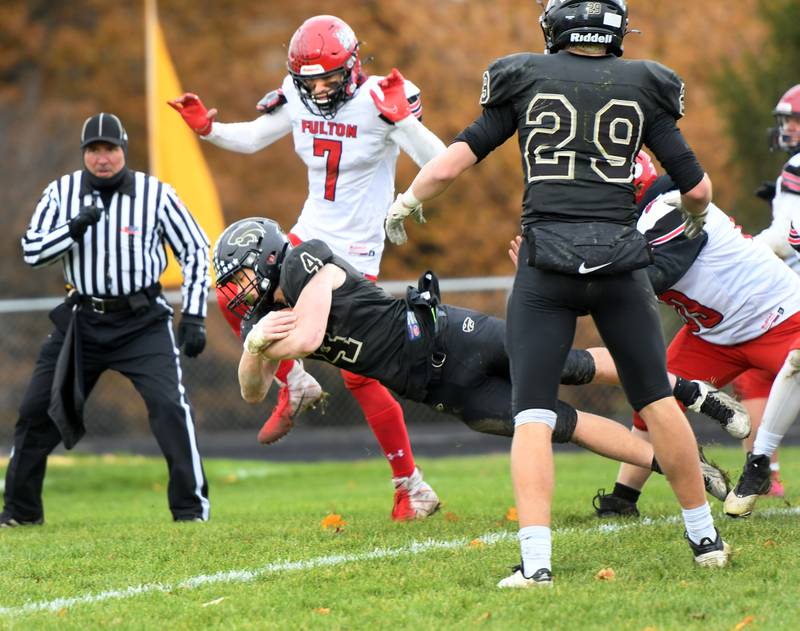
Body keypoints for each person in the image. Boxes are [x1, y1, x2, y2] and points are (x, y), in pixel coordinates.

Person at [385, 0, 730, 585]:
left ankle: (538, 565)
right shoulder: (645, 85)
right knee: (655, 398)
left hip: (546, 268)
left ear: (557, 24)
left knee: (534, 415)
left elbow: (449, 166)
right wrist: (695, 218)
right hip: (621, 266)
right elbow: (697, 188)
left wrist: (408, 201)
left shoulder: (524, 77)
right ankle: (705, 539)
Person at [212, 218, 731, 515]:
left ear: (267, 258)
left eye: (240, 278)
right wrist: (254, 348)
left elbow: (307, 335)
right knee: (558, 424)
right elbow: (253, 392)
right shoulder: (263, 321)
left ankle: (686, 389)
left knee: (569, 366)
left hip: (451, 337)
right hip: (440, 389)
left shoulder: (308, 261)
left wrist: (263, 342)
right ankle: (679, 463)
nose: (239, 293)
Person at [169, 14, 447, 521]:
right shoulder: (296, 96)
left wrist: (404, 119)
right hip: (305, 237)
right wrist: (209, 131)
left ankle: (412, 486)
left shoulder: (382, 99)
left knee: (358, 374)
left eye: (328, 78)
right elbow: (255, 137)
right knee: (235, 292)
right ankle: (294, 380)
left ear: (353, 66)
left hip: (354, 256)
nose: (319, 89)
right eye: (309, 80)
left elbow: (442, 162)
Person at [2, 113, 211, 527]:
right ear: (84, 154)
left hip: (143, 320)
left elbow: (196, 249)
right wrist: (73, 230)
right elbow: (32, 251)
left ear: (124, 150)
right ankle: (21, 513)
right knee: (35, 410)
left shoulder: (157, 195)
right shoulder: (61, 193)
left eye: (110, 149)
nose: (102, 158)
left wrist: (195, 314)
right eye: (94, 150)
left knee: (170, 407)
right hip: (82, 319)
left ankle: (190, 510)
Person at [589, 150, 800, 520]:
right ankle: (622, 499)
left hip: (777, 316)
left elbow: (658, 273)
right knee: (650, 400)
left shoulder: (670, 202)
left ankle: (760, 462)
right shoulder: (624, 225)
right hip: (712, 334)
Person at [729, 84, 800, 499]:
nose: (787, 128)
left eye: (794, 119)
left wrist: (742, 252)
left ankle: (764, 467)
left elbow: (787, 237)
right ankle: (764, 468)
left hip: (788, 289)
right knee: (758, 371)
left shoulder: (795, 167)